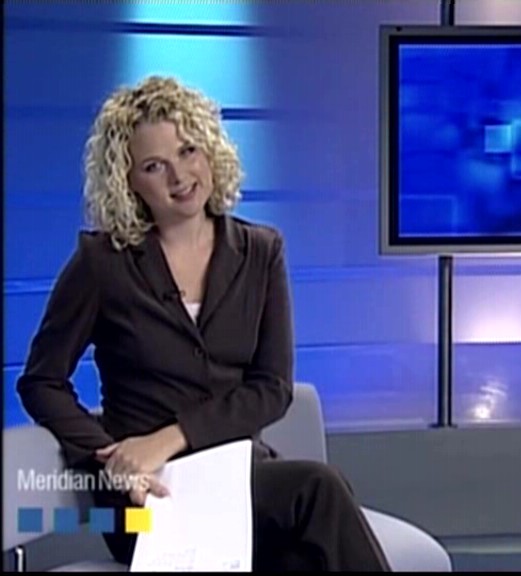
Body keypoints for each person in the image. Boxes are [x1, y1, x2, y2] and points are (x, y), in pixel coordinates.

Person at [16, 75, 391, 572]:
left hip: (239, 479)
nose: (179, 177)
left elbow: (271, 388)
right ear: (129, 181)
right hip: (145, 502)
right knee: (319, 488)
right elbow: (41, 382)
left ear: (210, 149)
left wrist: (172, 436)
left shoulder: (261, 251)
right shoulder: (102, 263)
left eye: (188, 151)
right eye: (154, 166)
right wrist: (113, 457)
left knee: (301, 558)